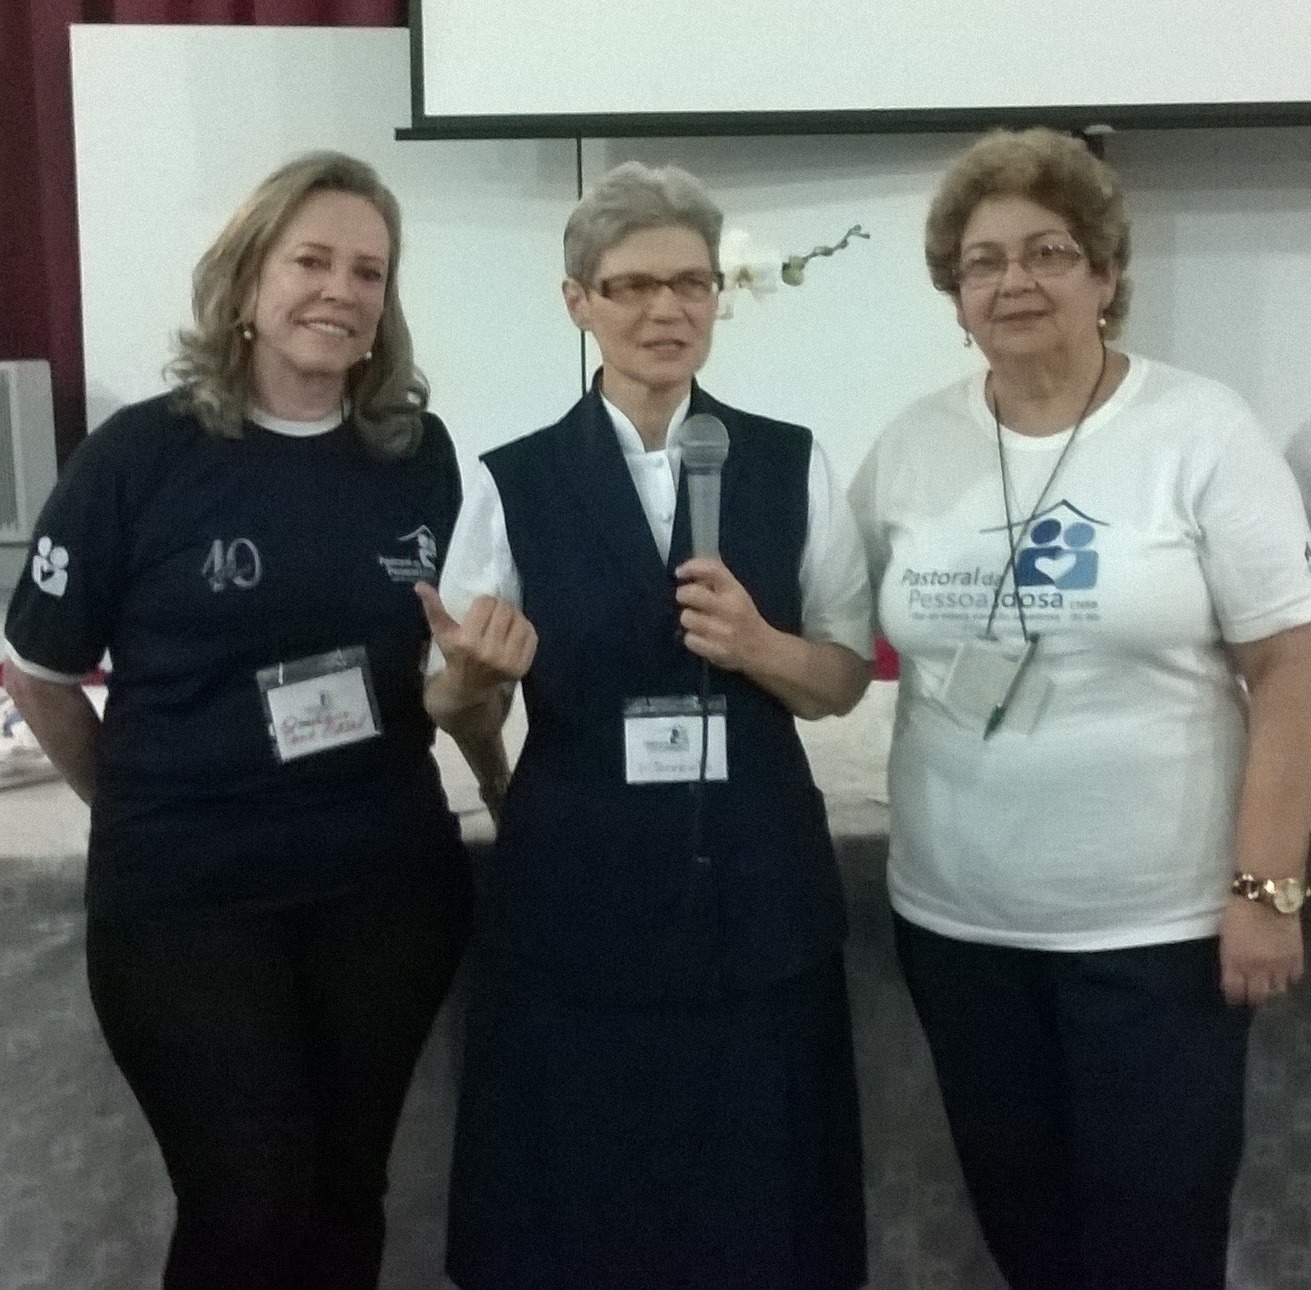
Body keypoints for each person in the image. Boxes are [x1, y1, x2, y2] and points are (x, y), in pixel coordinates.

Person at [847, 127, 1311, 1290]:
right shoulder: (912, 446)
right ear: (956, 295)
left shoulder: (1199, 431)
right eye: (983, 261)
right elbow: (839, 637)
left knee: (1155, 1248)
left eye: (1048, 252)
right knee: (1030, 1239)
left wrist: (1268, 889)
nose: (1014, 281)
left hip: (1158, 939)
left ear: (1105, 273)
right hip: (961, 931)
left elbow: (1290, 668)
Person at [3, 152, 472, 1290]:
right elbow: (39, 672)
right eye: (312, 260)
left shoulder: (417, 457)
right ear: (248, 279)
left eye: (369, 270)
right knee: (249, 1205)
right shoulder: (142, 457)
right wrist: (137, 804)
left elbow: (442, 672)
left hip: (382, 890)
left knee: (346, 1196)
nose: (341, 289)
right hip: (189, 902)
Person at [417, 160, 873, 1290]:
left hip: (756, 886)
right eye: (632, 286)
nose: (666, 309)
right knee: (585, 1206)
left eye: (691, 283)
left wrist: (761, 647)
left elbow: (841, 678)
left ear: (719, 296)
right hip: (578, 893)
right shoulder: (512, 481)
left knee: (758, 1210)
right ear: (579, 301)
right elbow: (453, 700)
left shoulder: (790, 459)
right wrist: (473, 681)